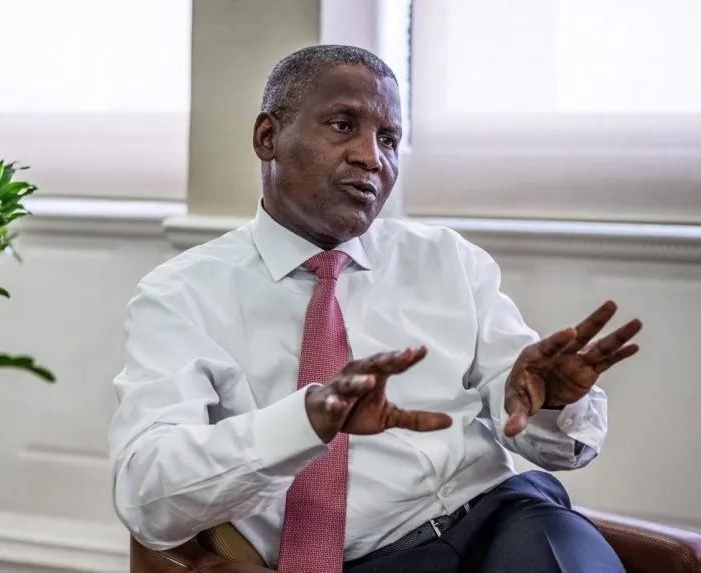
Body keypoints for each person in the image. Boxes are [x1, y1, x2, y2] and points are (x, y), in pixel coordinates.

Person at [108, 45, 643, 573]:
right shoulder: (181, 295)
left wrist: (551, 403)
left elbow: (556, 446)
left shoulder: (447, 260)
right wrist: (305, 421)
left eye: (388, 139)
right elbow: (148, 497)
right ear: (268, 137)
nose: (371, 157)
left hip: (505, 519)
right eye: (343, 126)